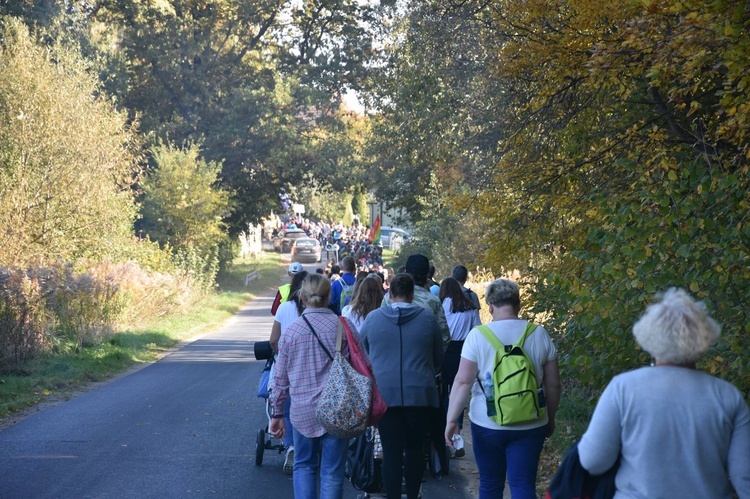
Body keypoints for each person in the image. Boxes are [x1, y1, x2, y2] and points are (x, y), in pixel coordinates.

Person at [577, 288, 750, 498]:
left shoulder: (623, 388)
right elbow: (745, 476)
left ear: (649, 336)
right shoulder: (727, 395)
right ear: (704, 337)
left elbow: (593, 461)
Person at [444, 278, 561, 499]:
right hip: (531, 422)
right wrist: (550, 417)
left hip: (487, 422)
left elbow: (462, 383)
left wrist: (451, 421)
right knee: (523, 484)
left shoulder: (477, 336)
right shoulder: (539, 334)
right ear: (518, 305)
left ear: (490, 306)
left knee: (489, 484)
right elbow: (553, 384)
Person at [269, 273, 369, 498]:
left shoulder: (291, 332)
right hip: (338, 411)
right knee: (332, 472)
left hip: (302, 411)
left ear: (302, 297)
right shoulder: (344, 327)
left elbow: (280, 381)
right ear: (328, 297)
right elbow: (365, 365)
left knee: (303, 465)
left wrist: (276, 414)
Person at [359, 273, 444, 499]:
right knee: (415, 449)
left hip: (384, 395)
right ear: (412, 294)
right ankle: (413, 495)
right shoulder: (427, 318)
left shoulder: (373, 319)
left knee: (391, 451)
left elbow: (360, 353)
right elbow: (438, 358)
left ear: (390, 293)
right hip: (420, 394)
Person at [268, 270, 308, 474]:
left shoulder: (284, 308)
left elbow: (273, 340)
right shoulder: (319, 310)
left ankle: (291, 446)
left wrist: (279, 356)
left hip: (288, 365)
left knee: (285, 407)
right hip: (309, 366)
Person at [438, 277, 481, 447]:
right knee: (460, 389)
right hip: (464, 350)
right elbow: (477, 329)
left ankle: (444, 425)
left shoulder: (441, 304)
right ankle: (457, 429)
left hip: (446, 350)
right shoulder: (469, 306)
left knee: (444, 389)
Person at [383, 254, 450, 348]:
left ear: (405, 272)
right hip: (423, 357)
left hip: (390, 354)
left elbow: (380, 325)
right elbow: (444, 337)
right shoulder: (434, 301)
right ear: (428, 274)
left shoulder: (389, 297)